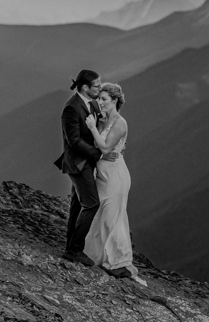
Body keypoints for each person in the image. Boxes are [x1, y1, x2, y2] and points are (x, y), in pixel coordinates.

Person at [83, 82, 146, 286]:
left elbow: (105, 146)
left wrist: (92, 128)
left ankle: (119, 262)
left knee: (113, 218)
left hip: (115, 175)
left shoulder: (120, 123)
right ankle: (98, 257)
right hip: (101, 173)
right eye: (99, 98)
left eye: (104, 99)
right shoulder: (102, 119)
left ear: (115, 101)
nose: (99, 102)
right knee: (99, 214)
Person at [53, 70, 118, 266]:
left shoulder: (89, 104)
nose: (100, 88)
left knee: (77, 204)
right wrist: (100, 154)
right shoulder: (71, 108)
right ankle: (74, 250)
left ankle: (70, 247)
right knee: (91, 204)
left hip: (84, 162)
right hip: (78, 163)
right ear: (85, 88)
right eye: (97, 86)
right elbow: (73, 141)